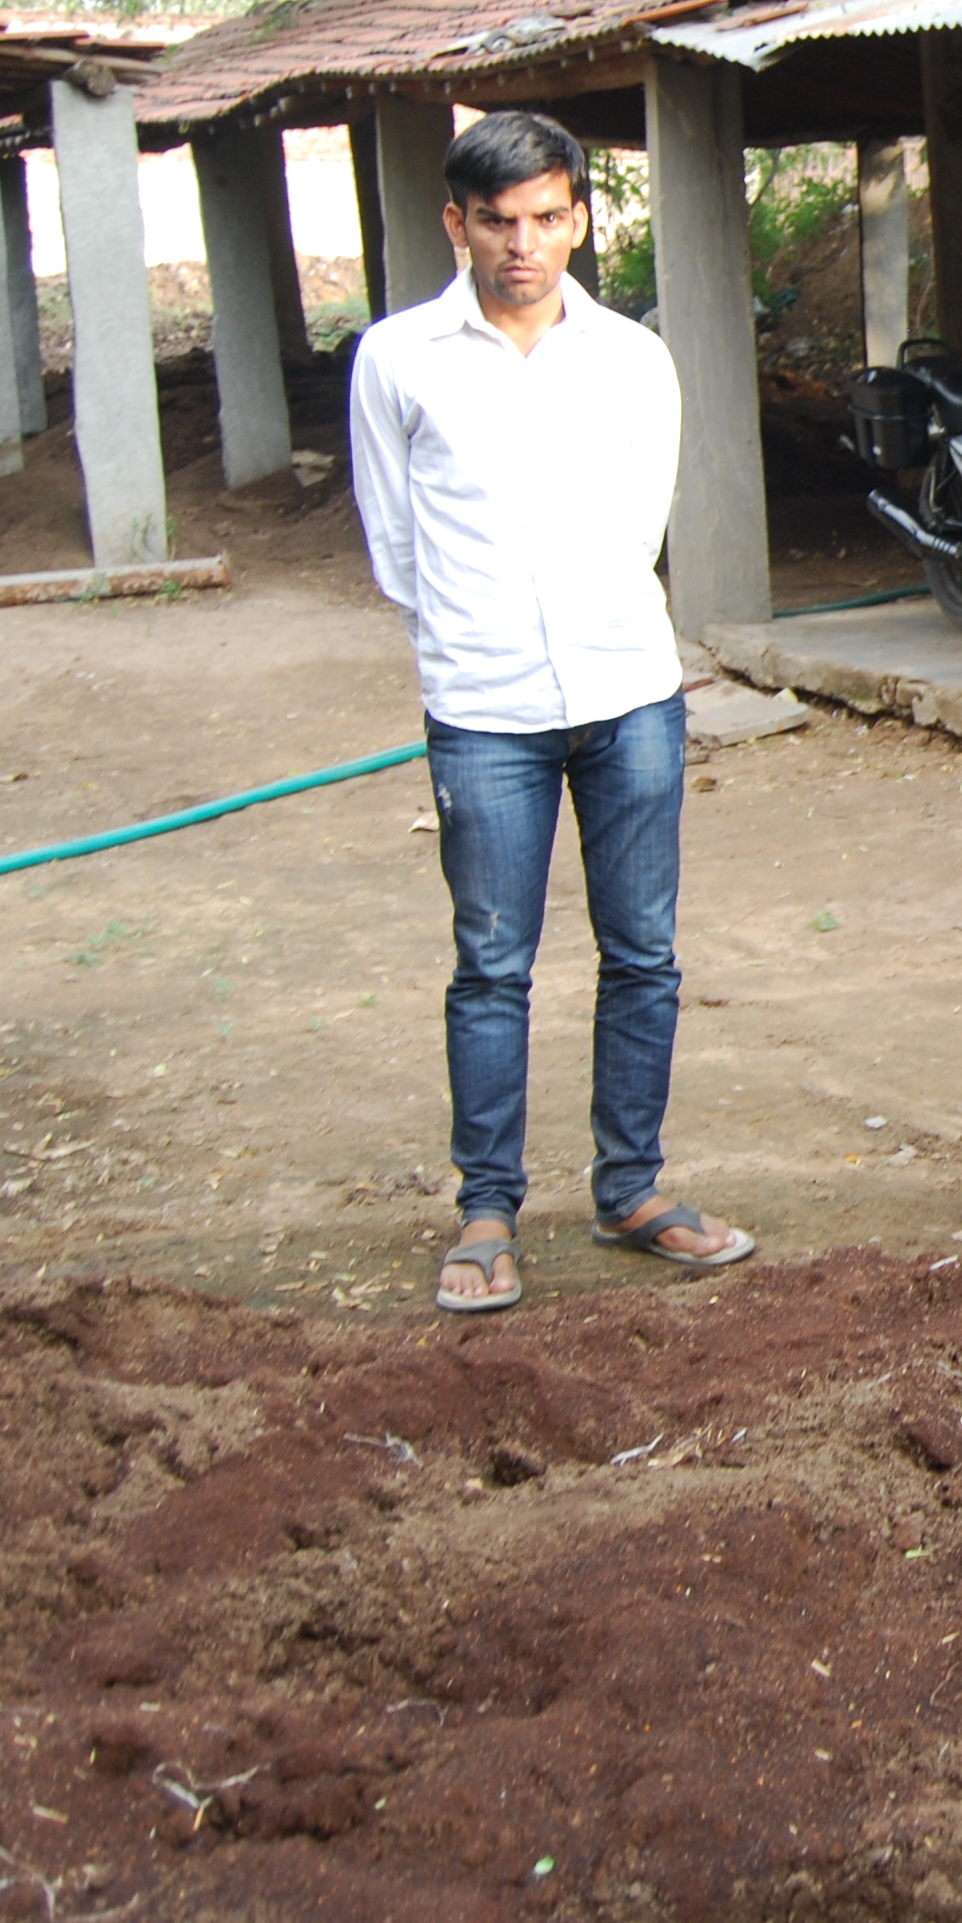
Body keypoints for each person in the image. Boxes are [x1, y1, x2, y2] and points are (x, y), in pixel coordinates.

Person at [348, 109, 755, 1315]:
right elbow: (395, 548)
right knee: (491, 964)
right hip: (483, 710)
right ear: (456, 223)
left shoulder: (631, 357)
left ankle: (631, 1189)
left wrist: (587, 631)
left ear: (578, 218)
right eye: (496, 221)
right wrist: (471, 643)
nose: (521, 245)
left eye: (544, 219)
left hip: (628, 696)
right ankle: (487, 1212)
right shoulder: (399, 359)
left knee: (644, 954)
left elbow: (642, 525)